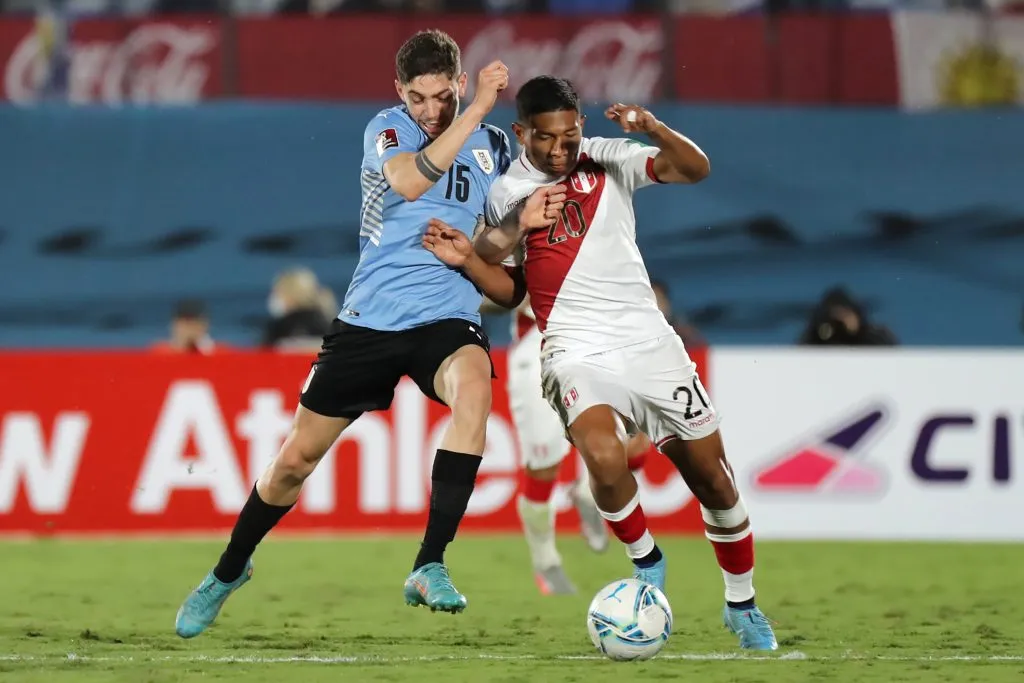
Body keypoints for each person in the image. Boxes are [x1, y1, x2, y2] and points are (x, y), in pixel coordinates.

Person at [174, 30, 565, 639]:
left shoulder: (491, 147)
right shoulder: (387, 130)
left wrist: (516, 225)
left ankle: (429, 563)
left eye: (442, 96)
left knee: (475, 394)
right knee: (292, 464)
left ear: (459, 83)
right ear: (399, 93)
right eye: (418, 98)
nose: (430, 111)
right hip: (370, 320)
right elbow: (411, 182)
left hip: (446, 315)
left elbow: (485, 249)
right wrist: (482, 108)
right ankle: (228, 570)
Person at [423, 76, 778, 650]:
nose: (560, 149)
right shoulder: (507, 190)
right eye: (545, 139)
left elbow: (695, 169)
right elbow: (504, 282)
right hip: (572, 346)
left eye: (569, 136)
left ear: (582, 127)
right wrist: (482, 248)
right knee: (602, 451)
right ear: (521, 134)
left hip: (648, 342)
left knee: (714, 479)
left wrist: (654, 128)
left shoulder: (608, 157)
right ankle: (647, 562)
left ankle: (742, 603)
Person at [501, 294, 653, 595]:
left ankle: (588, 492)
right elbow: (493, 290)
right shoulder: (518, 245)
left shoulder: (612, 246)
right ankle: (546, 562)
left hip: (598, 339)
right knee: (544, 466)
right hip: (541, 346)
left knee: (634, 442)